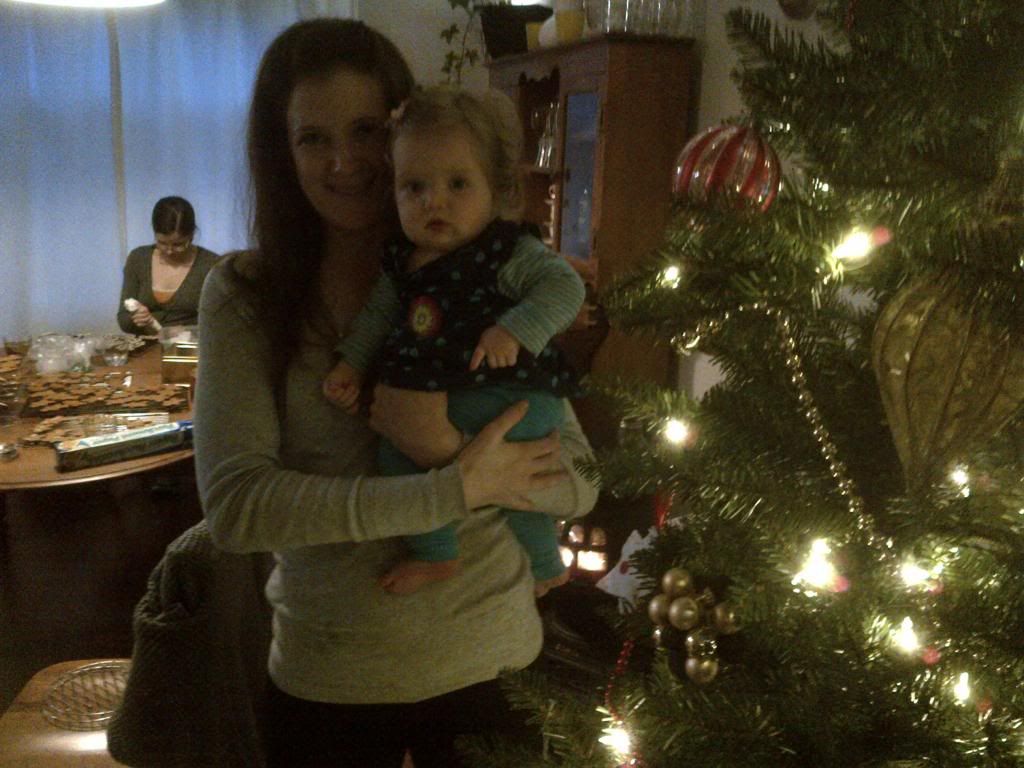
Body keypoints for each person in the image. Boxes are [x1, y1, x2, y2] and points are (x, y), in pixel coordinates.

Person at [192, 17, 598, 768]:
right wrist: (452, 488)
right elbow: (238, 508)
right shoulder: (244, 293)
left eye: (366, 131)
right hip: (330, 680)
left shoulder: (490, 268)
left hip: (496, 666)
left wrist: (442, 446)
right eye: (312, 138)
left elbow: (583, 479)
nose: (344, 161)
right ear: (281, 153)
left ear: (407, 130)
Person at [323, 86, 585, 598]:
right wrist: (351, 365)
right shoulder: (402, 262)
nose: (434, 201)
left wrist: (516, 329)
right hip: (464, 395)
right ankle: (539, 564)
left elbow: (565, 286)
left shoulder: (505, 251)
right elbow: (377, 318)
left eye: (458, 183)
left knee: (415, 459)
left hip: (512, 394)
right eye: (414, 187)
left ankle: (445, 554)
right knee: (414, 461)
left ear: (497, 190)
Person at [116, 196, 219, 333]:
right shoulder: (138, 258)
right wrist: (134, 319)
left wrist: (189, 331)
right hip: (144, 344)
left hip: (189, 344)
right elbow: (123, 318)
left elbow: (220, 321)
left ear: (192, 235)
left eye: (178, 244)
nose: (169, 251)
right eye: (162, 243)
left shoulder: (210, 264)